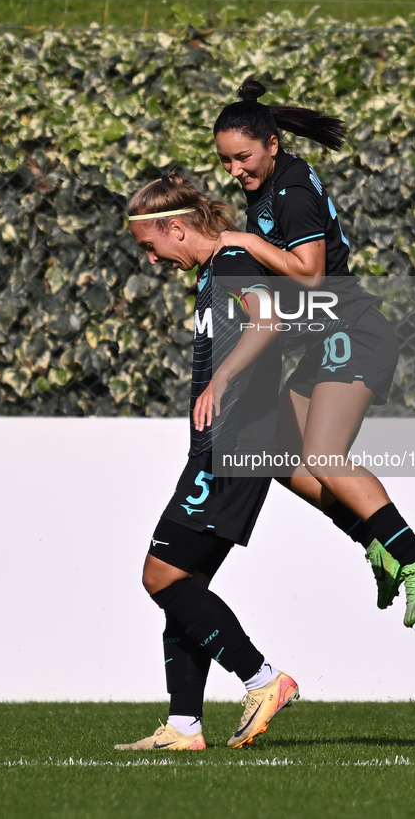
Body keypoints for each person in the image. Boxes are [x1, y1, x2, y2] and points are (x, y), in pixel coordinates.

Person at [209, 77, 415, 628]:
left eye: (242, 157)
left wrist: (242, 242)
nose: (234, 171)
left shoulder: (290, 192)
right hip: (328, 340)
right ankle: (377, 540)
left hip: (351, 332)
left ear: (271, 144)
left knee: (322, 456)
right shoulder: (270, 184)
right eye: (224, 161)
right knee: (276, 453)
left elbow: (313, 277)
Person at [114, 173, 298, 752]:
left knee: (160, 575)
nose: (151, 260)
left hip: (233, 445)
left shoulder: (232, 259)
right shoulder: (214, 270)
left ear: (176, 228)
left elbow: (268, 321)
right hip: (223, 443)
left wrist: (221, 376)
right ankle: (185, 725)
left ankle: (263, 679)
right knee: (186, 584)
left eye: (151, 247)